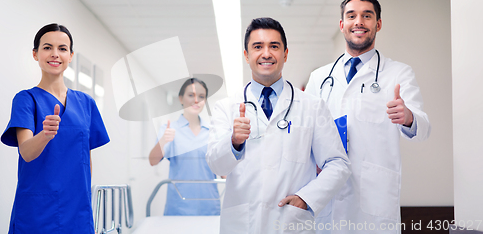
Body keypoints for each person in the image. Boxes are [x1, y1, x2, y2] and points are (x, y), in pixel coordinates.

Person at [206, 17, 351, 233]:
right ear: (246, 55)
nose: (266, 53)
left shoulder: (312, 106)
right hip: (243, 224)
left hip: (290, 222)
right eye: (258, 47)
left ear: (285, 54)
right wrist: (234, 142)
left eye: (274, 46)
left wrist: (306, 198)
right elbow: (216, 166)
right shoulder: (226, 108)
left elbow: (338, 163)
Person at [305, 0, 431, 233]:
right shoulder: (320, 78)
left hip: (374, 200)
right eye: (351, 16)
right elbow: (306, 133)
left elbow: (424, 127)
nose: (359, 22)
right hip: (328, 197)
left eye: (367, 16)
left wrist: (408, 117)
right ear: (342, 25)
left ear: (378, 24)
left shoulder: (398, 73)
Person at [1, 23, 110, 233]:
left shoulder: (86, 103)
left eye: (62, 49)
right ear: (35, 54)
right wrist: (45, 134)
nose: (55, 54)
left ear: (71, 55)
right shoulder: (26, 99)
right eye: (47, 47)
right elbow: (26, 151)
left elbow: (85, 158)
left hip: (78, 208)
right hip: (37, 209)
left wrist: (85, 197)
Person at [149, 78, 221, 216]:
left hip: (209, 206)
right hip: (179, 207)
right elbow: (153, 161)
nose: (196, 100)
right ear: (181, 98)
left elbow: (223, 170)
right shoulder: (169, 129)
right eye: (191, 95)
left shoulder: (213, 131)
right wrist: (163, 140)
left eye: (201, 96)